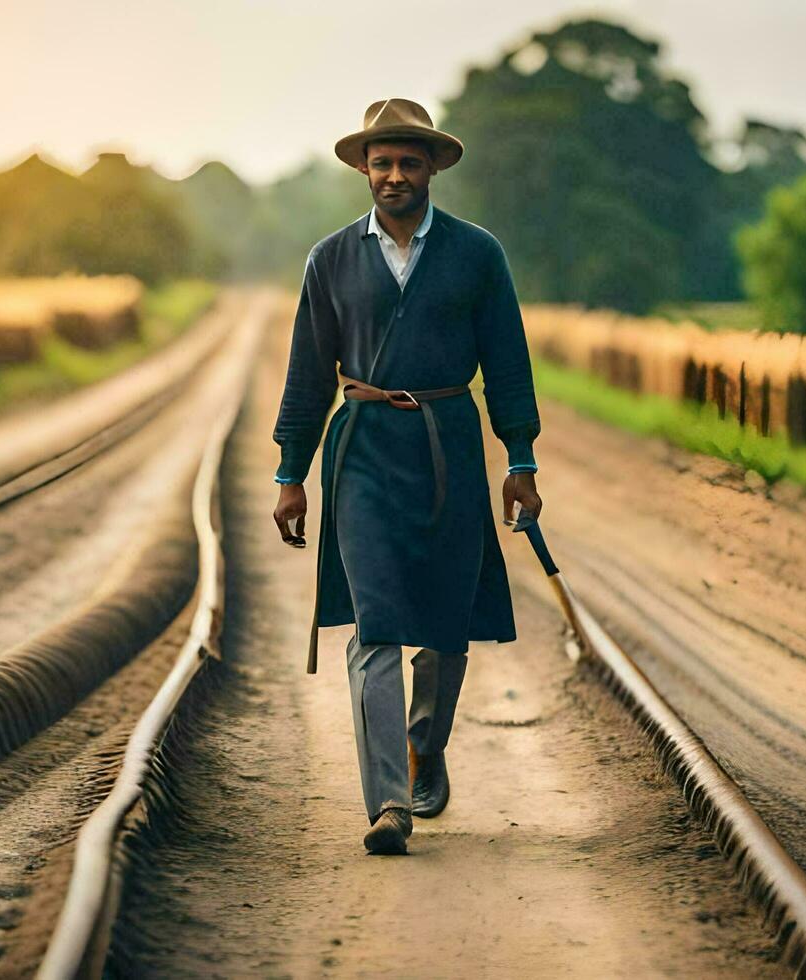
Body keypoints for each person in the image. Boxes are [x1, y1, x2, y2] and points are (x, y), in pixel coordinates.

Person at [271, 98, 543, 855]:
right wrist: (292, 471)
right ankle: (389, 801)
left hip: (449, 444)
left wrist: (519, 459)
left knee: (447, 625)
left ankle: (427, 745)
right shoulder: (329, 259)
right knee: (377, 624)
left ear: (431, 170)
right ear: (364, 168)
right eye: (381, 163)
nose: (394, 176)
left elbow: (509, 365)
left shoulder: (476, 254)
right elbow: (305, 375)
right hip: (360, 453)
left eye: (408, 163)